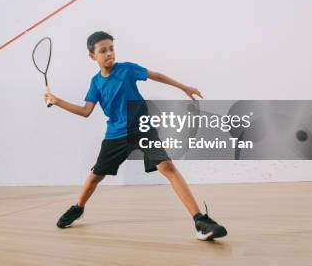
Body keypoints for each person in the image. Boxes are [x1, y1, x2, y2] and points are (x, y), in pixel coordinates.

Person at [44, 31, 227, 240]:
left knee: (168, 167)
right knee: (96, 176)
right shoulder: (95, 83)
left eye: (111, 49)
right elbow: (86, 111)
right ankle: (78, 208)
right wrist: (57, 101)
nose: (109, 53)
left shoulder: (128, 69)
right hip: (115, 136)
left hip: (142, 128)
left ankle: (200, 221)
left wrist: (183, 87)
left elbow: (156, 75)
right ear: (92, 56)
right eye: (103, 51)